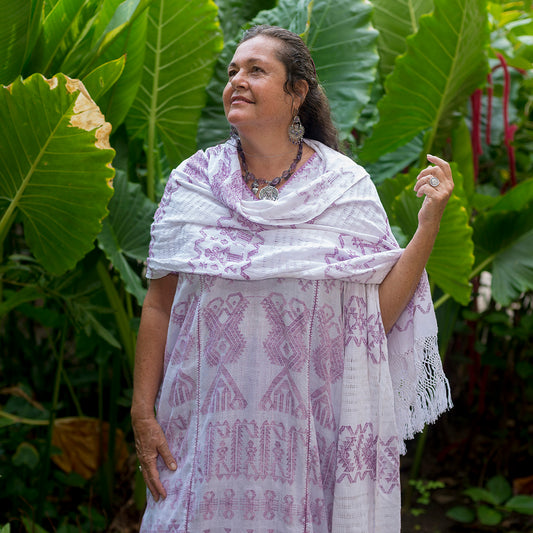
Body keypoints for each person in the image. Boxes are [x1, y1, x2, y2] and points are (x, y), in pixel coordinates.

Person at [131, 24, 453, 533]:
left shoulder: (344, 189)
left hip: (307, 441)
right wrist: (142, 415)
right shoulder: (193, 184)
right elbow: (159, 305)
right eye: (233, 70)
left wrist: (426, 228)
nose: (237, 79)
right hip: (200, 433)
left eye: (256, 70)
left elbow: (374, 320)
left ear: (296, 92)